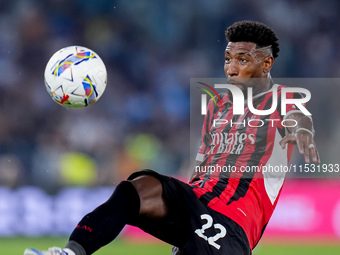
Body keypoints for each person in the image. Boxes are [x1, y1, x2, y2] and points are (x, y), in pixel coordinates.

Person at [24, 20, 320, 255]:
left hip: (232, 225)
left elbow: (298, 117)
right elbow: (204, 168)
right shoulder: (218, 105)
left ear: (265, 64)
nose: (231, 68)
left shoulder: (285, 99)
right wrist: (184, 229)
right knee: (134, 190)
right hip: (196, 203)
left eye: (242, 60)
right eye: (228, 58)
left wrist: (303, 129)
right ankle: (71, 252)